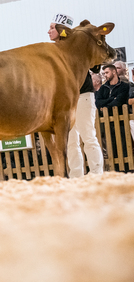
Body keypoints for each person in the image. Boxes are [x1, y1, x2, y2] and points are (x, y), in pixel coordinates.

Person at [48, 13, 103, 178]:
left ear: (61, 29)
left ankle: (96, 173)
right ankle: (76, 175)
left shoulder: (77, 45)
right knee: (70, 140)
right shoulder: (52, 50)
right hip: (64, 99)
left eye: (52, 28)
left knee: (87, 134)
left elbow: (95, 68)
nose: (48, 31)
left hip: (83, 94)